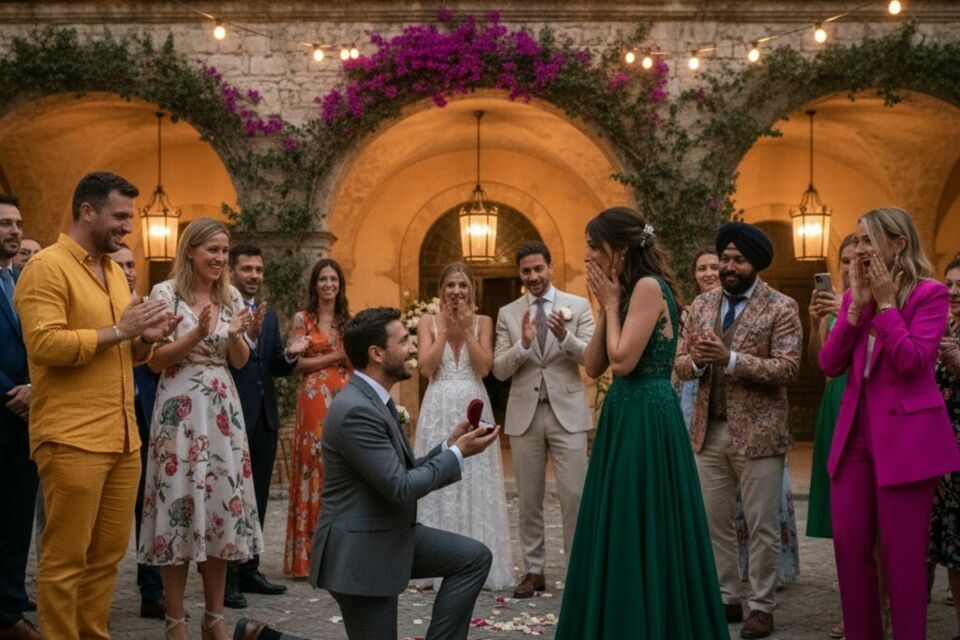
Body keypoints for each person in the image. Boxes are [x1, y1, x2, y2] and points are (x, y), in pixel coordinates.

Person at [14, 172, 175, 640]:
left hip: (124, 437)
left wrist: (144, 340)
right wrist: (123, 332)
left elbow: (124, 350)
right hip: (72, 437)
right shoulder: (46, 267)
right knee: (65, 561)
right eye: (121, 216)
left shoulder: (113, 273)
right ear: (88, 211)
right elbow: (44, 344)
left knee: (107, 558)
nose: (129, 227)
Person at [556, 207, 727, 639]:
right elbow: (594, 365)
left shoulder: (648, 288)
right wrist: (606, 304)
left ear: (622, 248)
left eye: (596, 246)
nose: (589, 254)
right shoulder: (629, 292)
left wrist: (611, 304)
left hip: (647, 417)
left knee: (641, 520)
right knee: (617, 523)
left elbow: (623, 359)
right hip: (624, 414)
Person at [309, 306, 500, 640]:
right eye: (405, 341)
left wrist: (449, 444)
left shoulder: (374, 399)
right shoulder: (356, 409)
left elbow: (400, 472)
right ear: (377, 354)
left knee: (473, 558)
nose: (414, 348)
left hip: (388, 533)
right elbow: (400, 487)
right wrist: (459, 454)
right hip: (360, 554)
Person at [819, 207, 960, 640]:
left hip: (906, 441)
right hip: (855, 437)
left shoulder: (929, 294)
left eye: (868, 239)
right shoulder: (851, 296)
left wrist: (885, 304)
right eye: (856, 240)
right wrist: (857, 310)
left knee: (903, 558)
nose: (859, 248)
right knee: (848, 545)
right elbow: (829, 363)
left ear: (897, 244)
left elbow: (914, 360)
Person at [674, 221, 802, 638]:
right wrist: (695, 362)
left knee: (762, 525)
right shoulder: (701, 304)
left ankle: (762, 606)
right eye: (725, 258)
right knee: (714, 522)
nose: (729, 267)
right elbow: (678, 363)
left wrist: (729, 359)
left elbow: (788, 368)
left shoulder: (781, 306)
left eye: (738, 260)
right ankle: (726, 596)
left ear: (755, 264)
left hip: (760, 435)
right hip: (707, 431)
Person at [138, 218, 262, 640]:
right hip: (179, 406)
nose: (220, 258)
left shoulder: (230, 295)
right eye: (212, 249)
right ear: (190, 250)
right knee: (179, 505)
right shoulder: (164, 294)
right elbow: (154, 361)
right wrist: (198, 335)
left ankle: (215, 617)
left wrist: (236, 335)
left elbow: (240, 362)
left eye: (224, 251)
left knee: (220, 509)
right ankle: (175, 620)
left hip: (222, 406)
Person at [492, 241, 595, 598]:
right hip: (525, 415)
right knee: (528, 497)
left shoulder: (578, 306)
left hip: (568, 413)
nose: (533, 276)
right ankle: (533, 570)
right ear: (519, 274)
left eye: (538, 269)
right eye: (526, 271)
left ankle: (578, 570)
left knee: (575, 495)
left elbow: (593, 359)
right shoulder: (508, 313)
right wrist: (522, 344)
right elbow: (499, 370)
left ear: (550, 267)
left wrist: (565, 337)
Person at [414, 262, 513, 590]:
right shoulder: (427, 322)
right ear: (441, 290)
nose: (457, 291)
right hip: (438, 404)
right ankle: (433, 563)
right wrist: (445, 329)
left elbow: (484, 368)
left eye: (463, 286)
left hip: (472, 397)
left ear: (471, 290)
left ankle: (476, 559)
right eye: (451, 285)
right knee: (440, 474)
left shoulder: (484, 321)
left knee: (474, 477)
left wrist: (467, 329)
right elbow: (426, 368)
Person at [226, 245, 307, 606]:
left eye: (259, 269)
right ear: (232, 272)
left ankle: (250, 569)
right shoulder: (222, 312)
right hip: (229, 415)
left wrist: (291, 353)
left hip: (264, 417)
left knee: (257, 496)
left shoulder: (269, 315)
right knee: (230, 497)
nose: (255, 275)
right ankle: (226, 577)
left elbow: (273, 364)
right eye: (247, 269)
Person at [108, 242, 167, 620]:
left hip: (145, 412)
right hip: (106, 415)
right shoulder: (104, 308)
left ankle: (153, 591)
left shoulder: (149, 306)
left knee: (149, 505)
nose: (129, 270)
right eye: (121, 264)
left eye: (132, 264)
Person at [284, 258, 352, 578]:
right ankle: (306, 557)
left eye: (333, 279)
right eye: (323, 279)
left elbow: (354, 364)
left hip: (342, 398)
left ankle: (336, 551)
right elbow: (295, 365)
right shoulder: (303, 319)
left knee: (337, 470)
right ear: (315, 284)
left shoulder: (347, 321)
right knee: (313, 467)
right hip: (312, 398)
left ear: (340, 285)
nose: (328, 284)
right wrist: (335, 356)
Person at [0, 194, 40, 640]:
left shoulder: (22, 283)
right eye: (4, 224)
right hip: (4, 406)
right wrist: (10, 390)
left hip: (28, 417)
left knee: (15, 522)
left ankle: (9, 614)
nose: (13, 231)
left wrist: (35, 388)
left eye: (18, 222)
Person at [929, 256, 960, 636]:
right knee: (946, 545)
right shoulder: (942, 324)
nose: (954, 292)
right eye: (950, 284)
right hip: (938, 451)